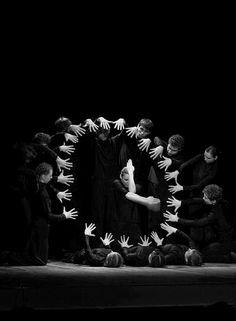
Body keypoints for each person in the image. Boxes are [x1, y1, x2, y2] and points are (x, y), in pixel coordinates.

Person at [1, 162, 78, 266]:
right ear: (42, 176)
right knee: (40, 261)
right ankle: (7, 256)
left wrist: (56, 191)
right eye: (50, 176)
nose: (51, 178)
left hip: (37, 227)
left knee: (40, 259)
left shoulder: (37, 185)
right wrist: (65, 216)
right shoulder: (41, 193)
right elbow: (49, 216)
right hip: (38, 228)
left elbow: (48, 185)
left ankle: (10, 256)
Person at [164, 184, 236, 263]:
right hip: (222, 236)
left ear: (213, 201)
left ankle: (230, 257)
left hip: (226, 241)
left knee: (203, 255)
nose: (203, 198)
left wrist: (177, 219)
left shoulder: (216, 212)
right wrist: (181, 203)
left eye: (205, 197)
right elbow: (200, 200)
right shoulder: (219, 200)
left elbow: (198, 223)